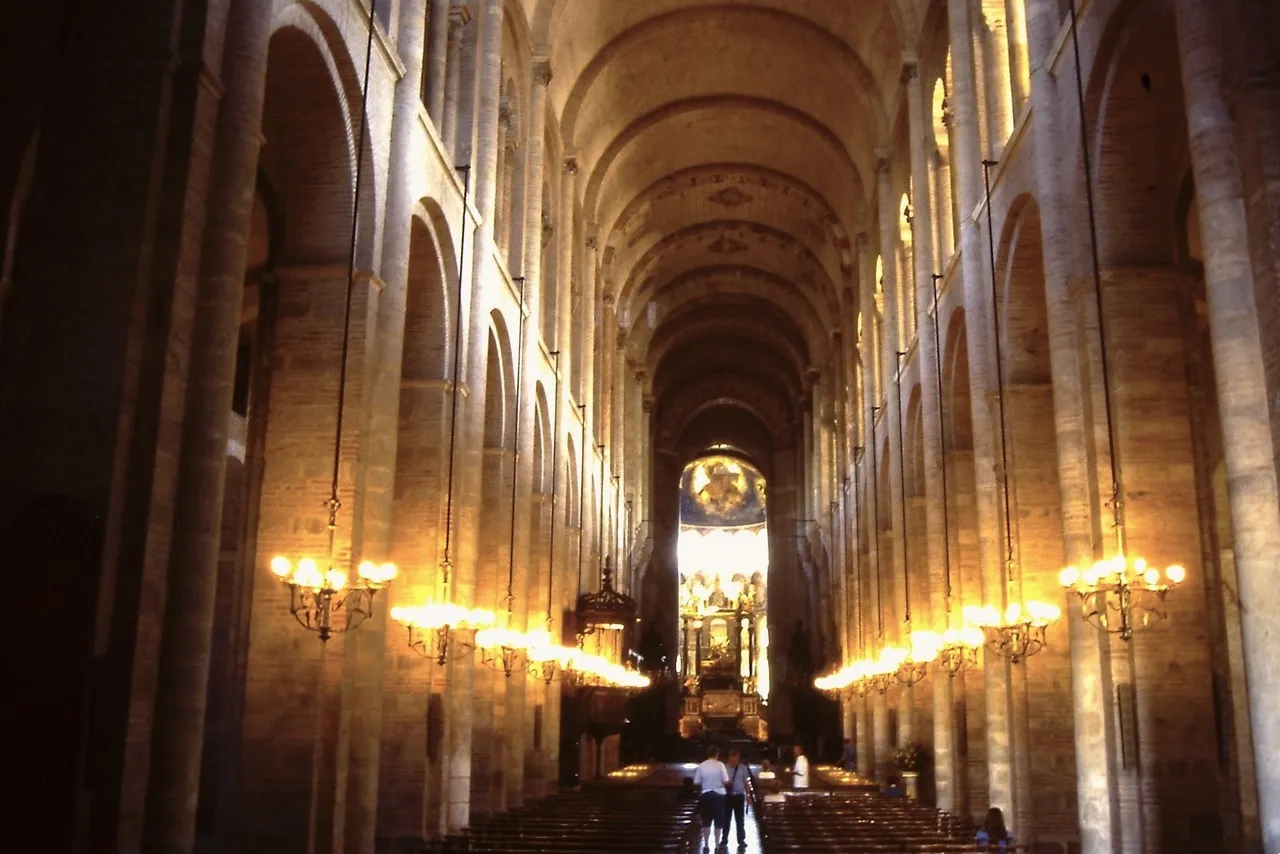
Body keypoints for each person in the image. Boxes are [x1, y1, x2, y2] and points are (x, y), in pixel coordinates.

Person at [693, 745, 730, 853]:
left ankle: (706, 844)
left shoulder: (702, 765)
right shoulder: (720, 765)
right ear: (717, 754)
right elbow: (726, 780)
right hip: (718, 794)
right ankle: (717, 845)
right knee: (718, 821)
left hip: (706, 794)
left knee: (706, 821)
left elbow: (696, 782)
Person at [721, 749, 749, 849]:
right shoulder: (724, 768)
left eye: (736, 760)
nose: (734, 762)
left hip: (739, 796)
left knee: (740, 820)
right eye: (732, 760)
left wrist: (748, 796)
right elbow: (720, 782)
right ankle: (724, 839)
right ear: (729, 758)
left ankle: (741, 840)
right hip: (728, 796)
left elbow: (746, 782)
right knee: (726, 819)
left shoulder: (743, 768)